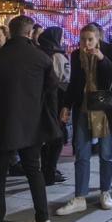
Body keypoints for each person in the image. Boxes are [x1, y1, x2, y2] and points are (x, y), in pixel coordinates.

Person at [0, 15, 59, 222]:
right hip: (31, 124)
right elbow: (52, 87)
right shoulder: (41, 58)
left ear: (10, 32)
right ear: (31, 32)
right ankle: (43, 219)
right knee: (34, 171)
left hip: (1, 124)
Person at [56, 24, 112, 216]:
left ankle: (105, 192)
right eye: (83, 39)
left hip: (104, 110)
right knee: (82, 152)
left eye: (90, 39)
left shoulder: (110, 51)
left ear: (98, 38)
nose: (86, 43)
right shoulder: (76, 55)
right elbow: (74, 82)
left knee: (106, 153)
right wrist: (66, 106)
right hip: (83, 109)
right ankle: (80, 196)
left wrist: (101, 59)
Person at [36, 26, 71, 185]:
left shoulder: (40, 53)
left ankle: (46, 169)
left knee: (46, 136)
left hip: (40, 100)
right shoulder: (58, 56)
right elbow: (65, 78)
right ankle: (50, 171)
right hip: (56, 100)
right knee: (57, 137)